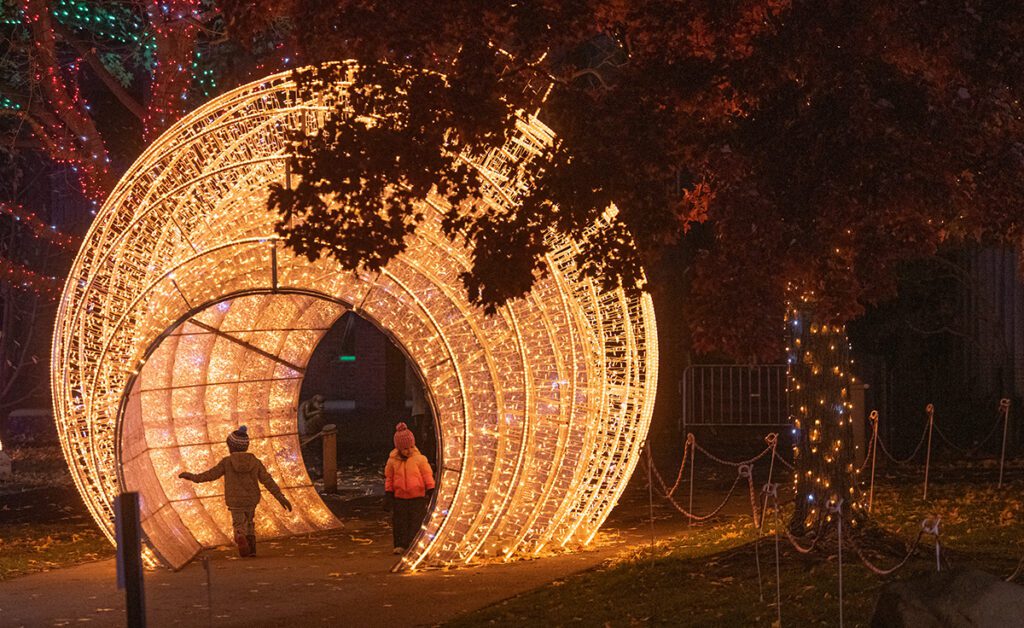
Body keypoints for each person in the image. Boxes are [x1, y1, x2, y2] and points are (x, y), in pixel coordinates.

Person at [178, 425, 292, 557]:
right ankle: (252, 549)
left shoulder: (227, 462)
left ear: (230, 447)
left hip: (235, 499)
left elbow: (210, 475)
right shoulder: (255, 462)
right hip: (251, 499)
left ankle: (240, 535)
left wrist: (192, 477)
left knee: (238, 523)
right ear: (246, 447)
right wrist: (280, 497)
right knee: (250, 521)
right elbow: (268, 481)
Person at [384, 422, 435, 554]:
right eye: (405, 448)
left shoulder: (420, 459)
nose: (409, 450)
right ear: (399, 448)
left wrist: (430, 488)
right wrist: (389, 493)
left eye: (411, 447)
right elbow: (389, 478)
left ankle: (414, 543)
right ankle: (400, 544)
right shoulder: (392, 461)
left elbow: (427, 475)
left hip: (417, 496)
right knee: (400, 522)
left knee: (416, 521)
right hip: (400, 497)